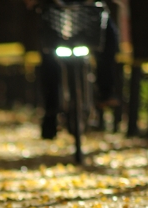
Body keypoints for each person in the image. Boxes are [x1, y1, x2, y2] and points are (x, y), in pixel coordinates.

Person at [26, 0, 120, 140]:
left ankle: (105, 92)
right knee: (48, 57)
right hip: (56, 14)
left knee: (109, 38)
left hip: (88, 13)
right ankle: (50, 114)